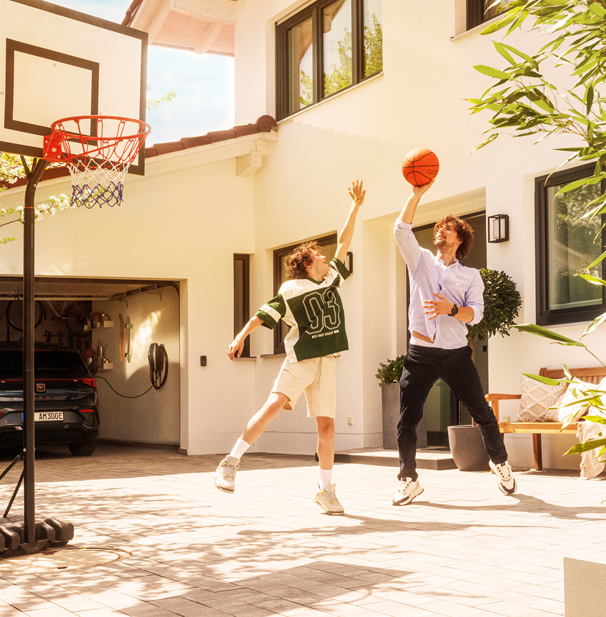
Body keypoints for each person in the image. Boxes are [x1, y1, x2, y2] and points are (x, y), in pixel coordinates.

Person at [215, 180, 366, 515]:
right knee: (274, 405)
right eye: (319, 257)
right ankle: (231, 461)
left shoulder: (331, 278)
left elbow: (344, 242)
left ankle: (326, 492)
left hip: (328, 360)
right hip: (302, 359)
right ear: (307, 264)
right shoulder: (291, 288)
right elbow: (261, 315)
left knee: (327, 427)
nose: (326, 258)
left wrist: (355, 207)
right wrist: (240, 337)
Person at [393, 180, 516, 505]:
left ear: (459, 239)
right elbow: (400, 230)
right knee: (408, 417)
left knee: (482, 412)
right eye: (438, 229)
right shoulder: (419, 261)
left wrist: (452, 309)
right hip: (420, 353)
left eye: (447, 230)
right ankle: (408, 479)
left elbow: (475, 315)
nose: (440, 233)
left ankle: (500, 462)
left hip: (456, 355)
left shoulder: (470, 276)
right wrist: (417, 194)